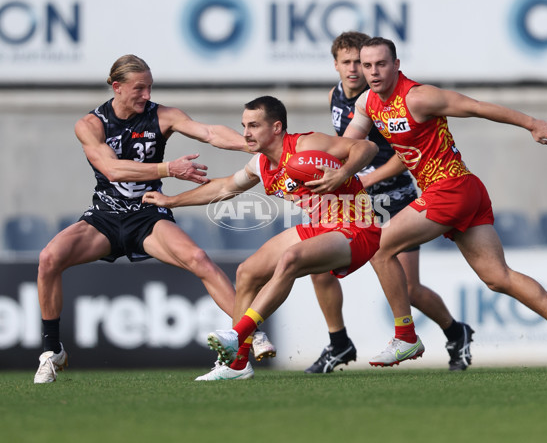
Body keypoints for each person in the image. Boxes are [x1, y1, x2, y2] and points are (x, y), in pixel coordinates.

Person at [340, 36, 547, 371]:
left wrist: (532, 123)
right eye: (367, 65)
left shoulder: (418, 96)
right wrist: (315, 164)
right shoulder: (368, 103)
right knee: (497, 277)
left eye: (381, 64)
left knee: (378, 248)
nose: (373, 71)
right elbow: (345, 144)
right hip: (463, 190)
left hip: (450, 189)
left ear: (397, 65)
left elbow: (476, 107)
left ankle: (405, 336)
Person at [143, 95, 424, 381]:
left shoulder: (306, 144)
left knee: (291, 258)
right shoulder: (260, 165)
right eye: (244, 126)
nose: (246, 133)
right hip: (320, 226)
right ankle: (237, 365)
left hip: (358, 226)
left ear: (277, 127)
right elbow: (224, 187)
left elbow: (367, 146)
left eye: (254, 125)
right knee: (247, 272)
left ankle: (236, 335)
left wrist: (344, 173)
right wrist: (172, 200)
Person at [34, 54, 275, 384]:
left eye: (149, 87)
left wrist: (253, 145)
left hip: (147, 213)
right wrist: (168, 169)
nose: (147, 95)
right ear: (117, 87)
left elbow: (208, 132)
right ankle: (51, 351)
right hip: (106, 216)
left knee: (199, 259)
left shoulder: (163, 116)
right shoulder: (90, 125)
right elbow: (112, 169)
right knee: (49, 258)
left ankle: (249, 333)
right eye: (139, 89)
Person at [305, 31, 474, 374]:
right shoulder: (336, 96)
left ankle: (456, 332)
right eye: (349, 62)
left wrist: (368, 177)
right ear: (335, 65)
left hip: (395, 196)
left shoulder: (384, 99)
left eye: (362, 62)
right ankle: (339, 343)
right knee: (318, 266)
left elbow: (406, 156)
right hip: (355, 199)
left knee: (409, 288)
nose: (356, 69)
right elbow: (344, 146)